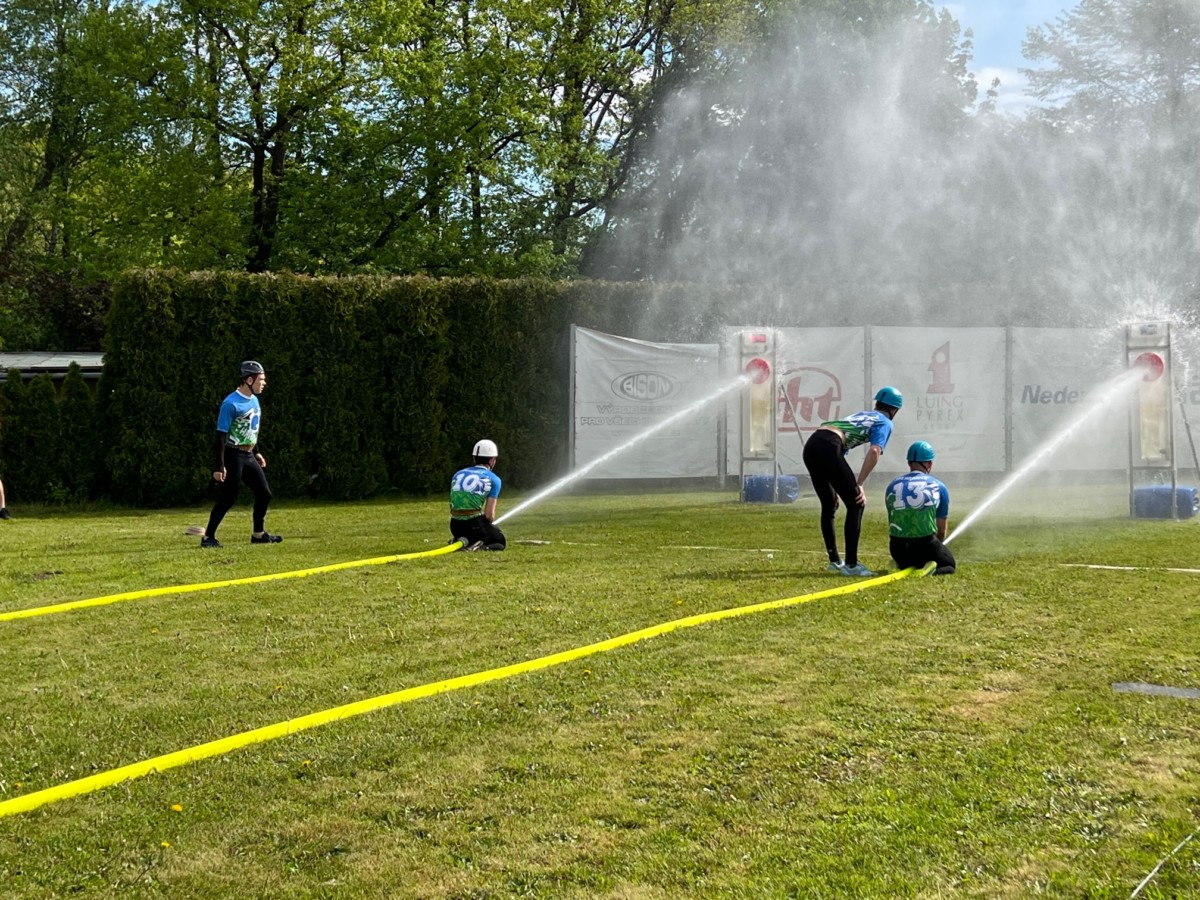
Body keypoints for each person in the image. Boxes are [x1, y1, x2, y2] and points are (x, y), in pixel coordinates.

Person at [801, 385, 902, 577]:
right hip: (829, 445)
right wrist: (860, 484)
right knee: (857, 503)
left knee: (830, 504)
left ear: (877, 403)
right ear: (894, 410)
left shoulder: (865, 414)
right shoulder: (885, 422)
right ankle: (852, 565)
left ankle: (834, 562)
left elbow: (836, 454)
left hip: (813, 443)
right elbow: (875, 451)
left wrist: (841, 486)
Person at [201, 361, 282, 548]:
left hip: (249, 455)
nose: (264, 383)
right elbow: (221, 436)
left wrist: (257, 452)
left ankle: (258, 534)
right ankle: (208, 537)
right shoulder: (230, 403)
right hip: (233, 456)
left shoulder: (254, 400)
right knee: (228, 498)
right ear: (249, 380)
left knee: (264, 493)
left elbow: (250, 429)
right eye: (261, 380)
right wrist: (219, 466)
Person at [884, 441, 956, 576]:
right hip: (925, 547)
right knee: (950, 565)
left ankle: (898, 564)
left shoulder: (892, 485)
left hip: (897, 549)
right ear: (929, 464)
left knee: (906, 554)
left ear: (908, 462)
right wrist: (938, 548)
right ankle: (929, 570)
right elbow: (941, 530)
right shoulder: (938, 486)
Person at [449, 439, 506, 551]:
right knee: (500, 542)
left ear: (474, 458)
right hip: (474, 525)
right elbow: (489, 516)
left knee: (484, 530)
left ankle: (461, 540)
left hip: (454, 526)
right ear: (492, 460)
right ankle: (477, 547)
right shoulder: (494, 479)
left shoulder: (458, 474)